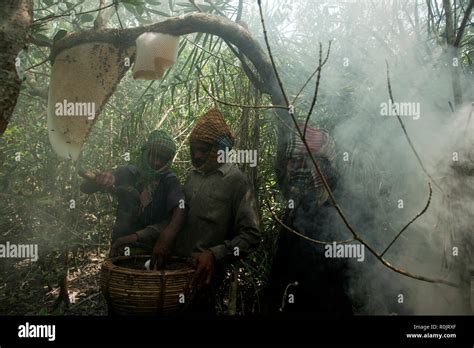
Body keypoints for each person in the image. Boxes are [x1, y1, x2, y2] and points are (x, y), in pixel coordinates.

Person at [173, 108, 261, 314]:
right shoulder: (193, 176)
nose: (197, 155)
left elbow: (251, 235)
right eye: (194, 149)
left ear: (220, 149)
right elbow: (177, 218)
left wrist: (214, 254)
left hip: (205, 278)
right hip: (176, 271)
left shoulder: (237, 181)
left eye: (204, 150)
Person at [263, 123, 354, 318]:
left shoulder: (343, 207)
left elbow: (350, 279)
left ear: (321, 164)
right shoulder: (297, 203)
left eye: (297, 161)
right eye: (290, 161)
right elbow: (283, 260)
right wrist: (270, 298)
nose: (290, 168)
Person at [80, 130, 185, 269]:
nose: (157, 162)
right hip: (120, 249)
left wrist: (167, 237)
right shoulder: (128, 173)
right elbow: (86, 188)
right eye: (154, 155)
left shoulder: (169, 181)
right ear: (146, 151)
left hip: (151, 251)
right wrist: (99, 179)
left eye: (163, 158)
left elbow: (181, 208)